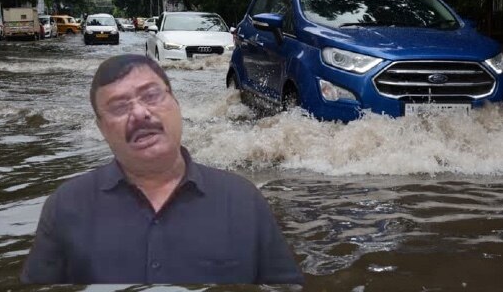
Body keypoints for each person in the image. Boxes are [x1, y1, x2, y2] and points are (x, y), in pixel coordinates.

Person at [21, 54, 304, 285]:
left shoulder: (242, 200)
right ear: (101, 128)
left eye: (152, 96)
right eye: (119, 107)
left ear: (176, 104)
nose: (140, 113)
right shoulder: (66, 207)